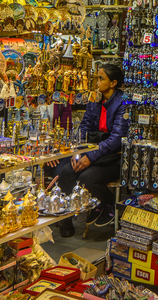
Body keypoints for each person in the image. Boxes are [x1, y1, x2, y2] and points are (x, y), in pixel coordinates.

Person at [55, 64, 129, 236]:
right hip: (93, 152)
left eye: (101, 78)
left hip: (113, 157)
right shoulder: (94, 100)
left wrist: (90, 156)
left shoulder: (122, 103)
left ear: (113, 83)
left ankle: (108, 203)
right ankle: (69, 216)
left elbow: (117, 138)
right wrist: (78, 153)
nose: (97, 82)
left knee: (88, 177)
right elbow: (84, 128)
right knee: (66, 171)